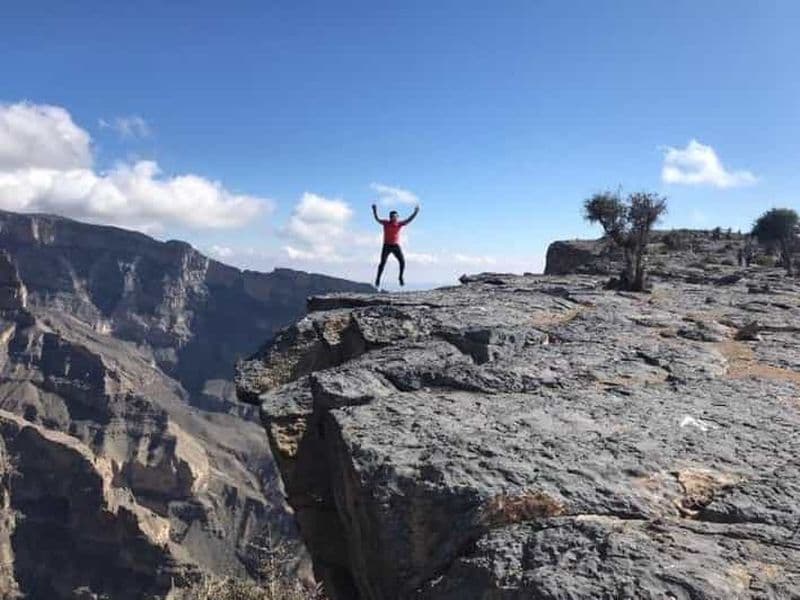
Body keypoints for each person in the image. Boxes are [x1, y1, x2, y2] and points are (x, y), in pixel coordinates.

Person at [372, 203, 419, 288]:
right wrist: (375, 210)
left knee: (402, 261)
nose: (394, 218)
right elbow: (377, 219)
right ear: (390, 217)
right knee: (382, 263)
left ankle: (400, 277)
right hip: (386, 246)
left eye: (396, 216)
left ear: (397, 217)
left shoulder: (399, 224)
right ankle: (378, 279)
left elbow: (409, 220)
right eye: (393, 216)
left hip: (395, 246)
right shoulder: (386, 223)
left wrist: (415, 212)